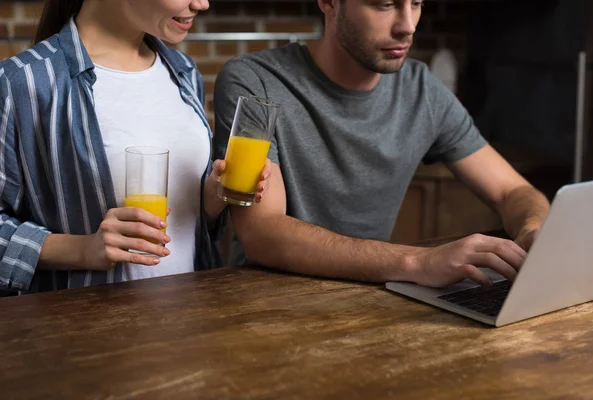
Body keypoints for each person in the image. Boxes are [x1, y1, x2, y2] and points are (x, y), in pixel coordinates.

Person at [213, 0, 550, 288]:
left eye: (416, 3)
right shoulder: (256, 80)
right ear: (329, 2)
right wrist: (419, 262)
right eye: (385, 4)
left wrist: (533, 230)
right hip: (263, 306)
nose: (407, 26)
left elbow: (511, 192)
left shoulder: (423, 91)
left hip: (373, 302)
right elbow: (262, 232)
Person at [0, 0, 271, 294]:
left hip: (190, 320)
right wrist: (82, 249)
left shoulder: (183, 72)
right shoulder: (22, 82)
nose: (201, 3)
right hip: (88, 329)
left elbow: (187, 225)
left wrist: (215, 193)